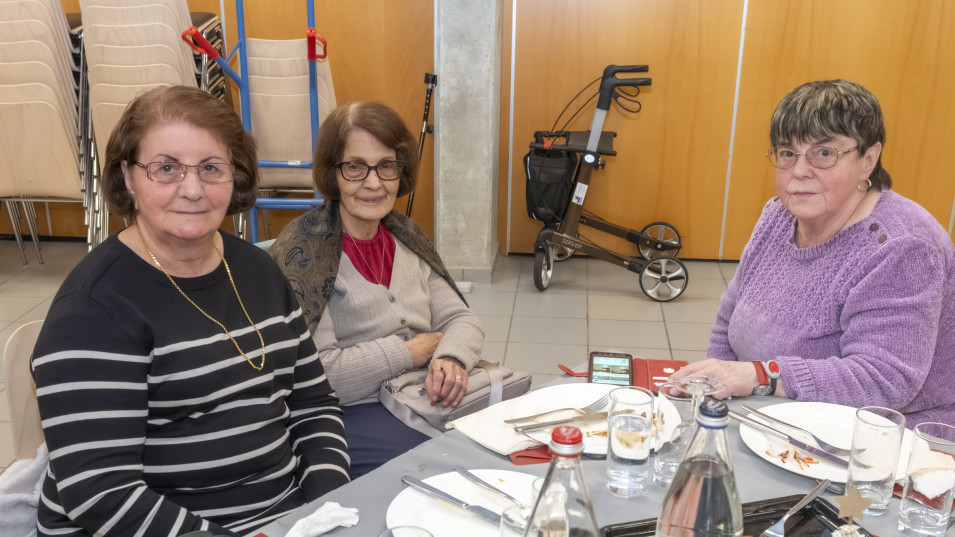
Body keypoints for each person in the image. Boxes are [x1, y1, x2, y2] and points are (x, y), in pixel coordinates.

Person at [31, 86, 350, 536]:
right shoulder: (92, 310)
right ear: (128, 178)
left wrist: (328, 505)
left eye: (211, 168)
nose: (193, 189)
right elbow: (101, 492)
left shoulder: (259, 270)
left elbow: (313, 405)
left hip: (279, 517)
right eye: (166, 168)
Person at [669, 80, 955, 426]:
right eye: (788, 153)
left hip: (890, 435)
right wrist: (714, 400)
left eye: (824, 153)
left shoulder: (901, 246)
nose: (800, 171)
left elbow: (883, 380)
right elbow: (729, 318)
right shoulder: (777, 215)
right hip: (772, 415)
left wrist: (761, 375)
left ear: (868, 160)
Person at [269, 102, 484, 478]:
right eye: (355, 167)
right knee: (448, 467)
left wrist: (450, 358)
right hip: (350, 410)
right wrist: (409, 352)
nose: (374, 183)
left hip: (420, 394)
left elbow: (461, 319)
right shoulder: (305, 255)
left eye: (386, 166)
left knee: (506, 443)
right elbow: (318, 376)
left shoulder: (406, 238)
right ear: (333, 173)